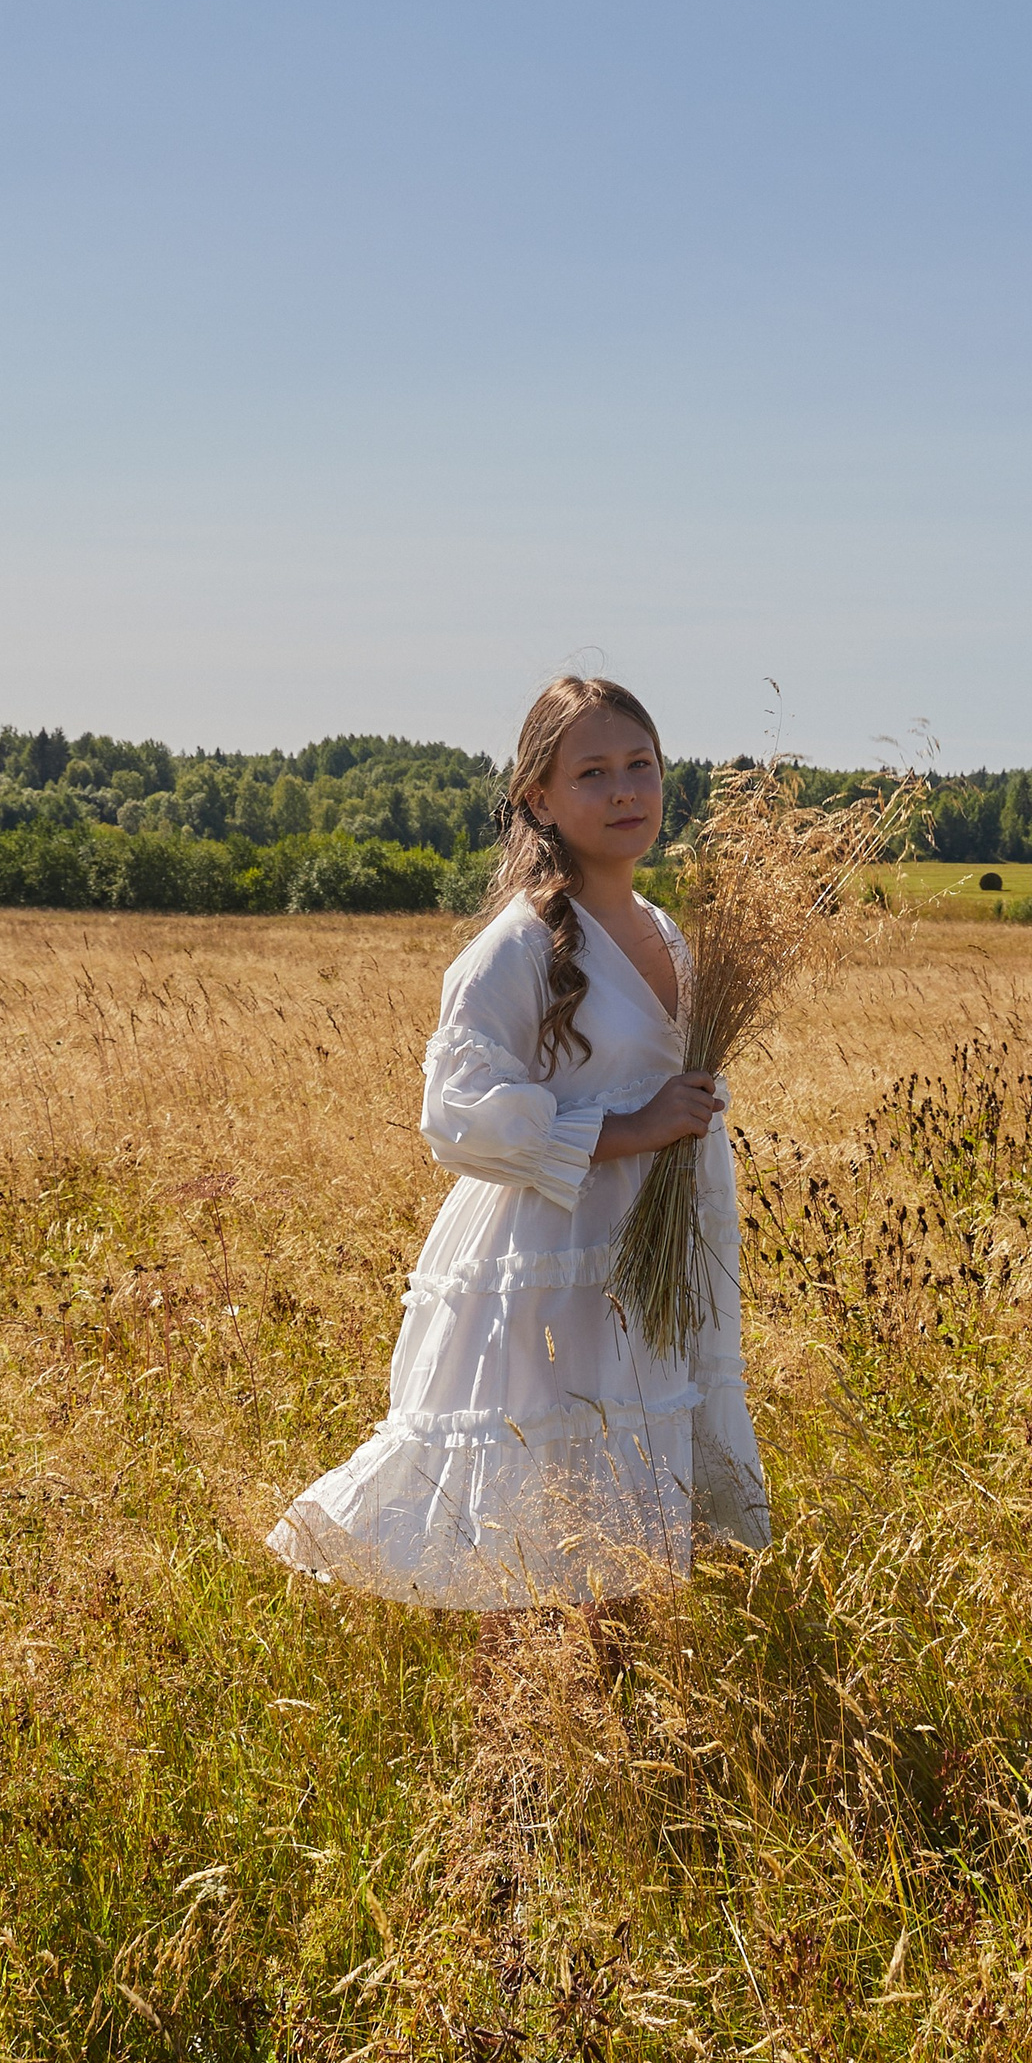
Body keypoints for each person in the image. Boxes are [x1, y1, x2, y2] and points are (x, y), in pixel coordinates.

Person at [268, 674, 772, 1610]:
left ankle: (611, 1723)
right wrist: (630, 1127)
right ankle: (533, 1733)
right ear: (539, 796)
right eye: (594, 773)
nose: (625, 791)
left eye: (641, 766)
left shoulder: (666, 932)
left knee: (634, 1505)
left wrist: (686, 1120)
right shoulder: (520, 944)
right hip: (553, 1263)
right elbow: (454, 1112)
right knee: (548, 1513)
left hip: (650, 1258)